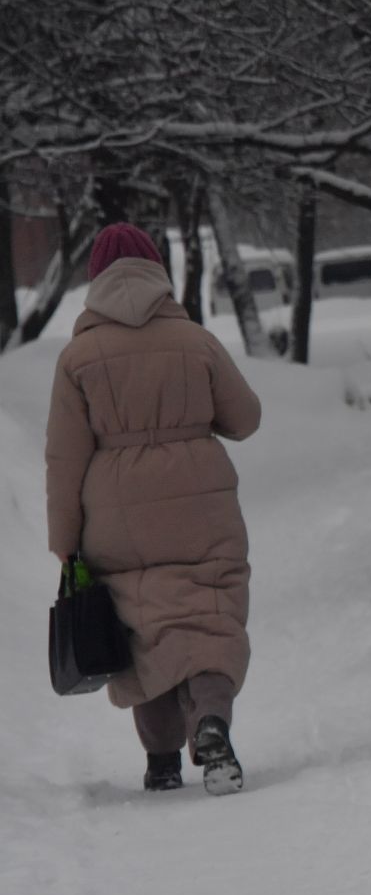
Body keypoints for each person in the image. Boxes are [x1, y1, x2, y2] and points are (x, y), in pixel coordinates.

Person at [45, 223, 262, 795]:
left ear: (94, 281)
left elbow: (64, 459)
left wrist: (65, 540)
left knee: (143, 627)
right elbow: (246, 418)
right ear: (158, 272)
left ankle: (163, 761)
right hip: (203, 504)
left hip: (117, 513)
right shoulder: (196, 341)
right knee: (209, 616)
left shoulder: (78, 357)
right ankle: (211, 721)